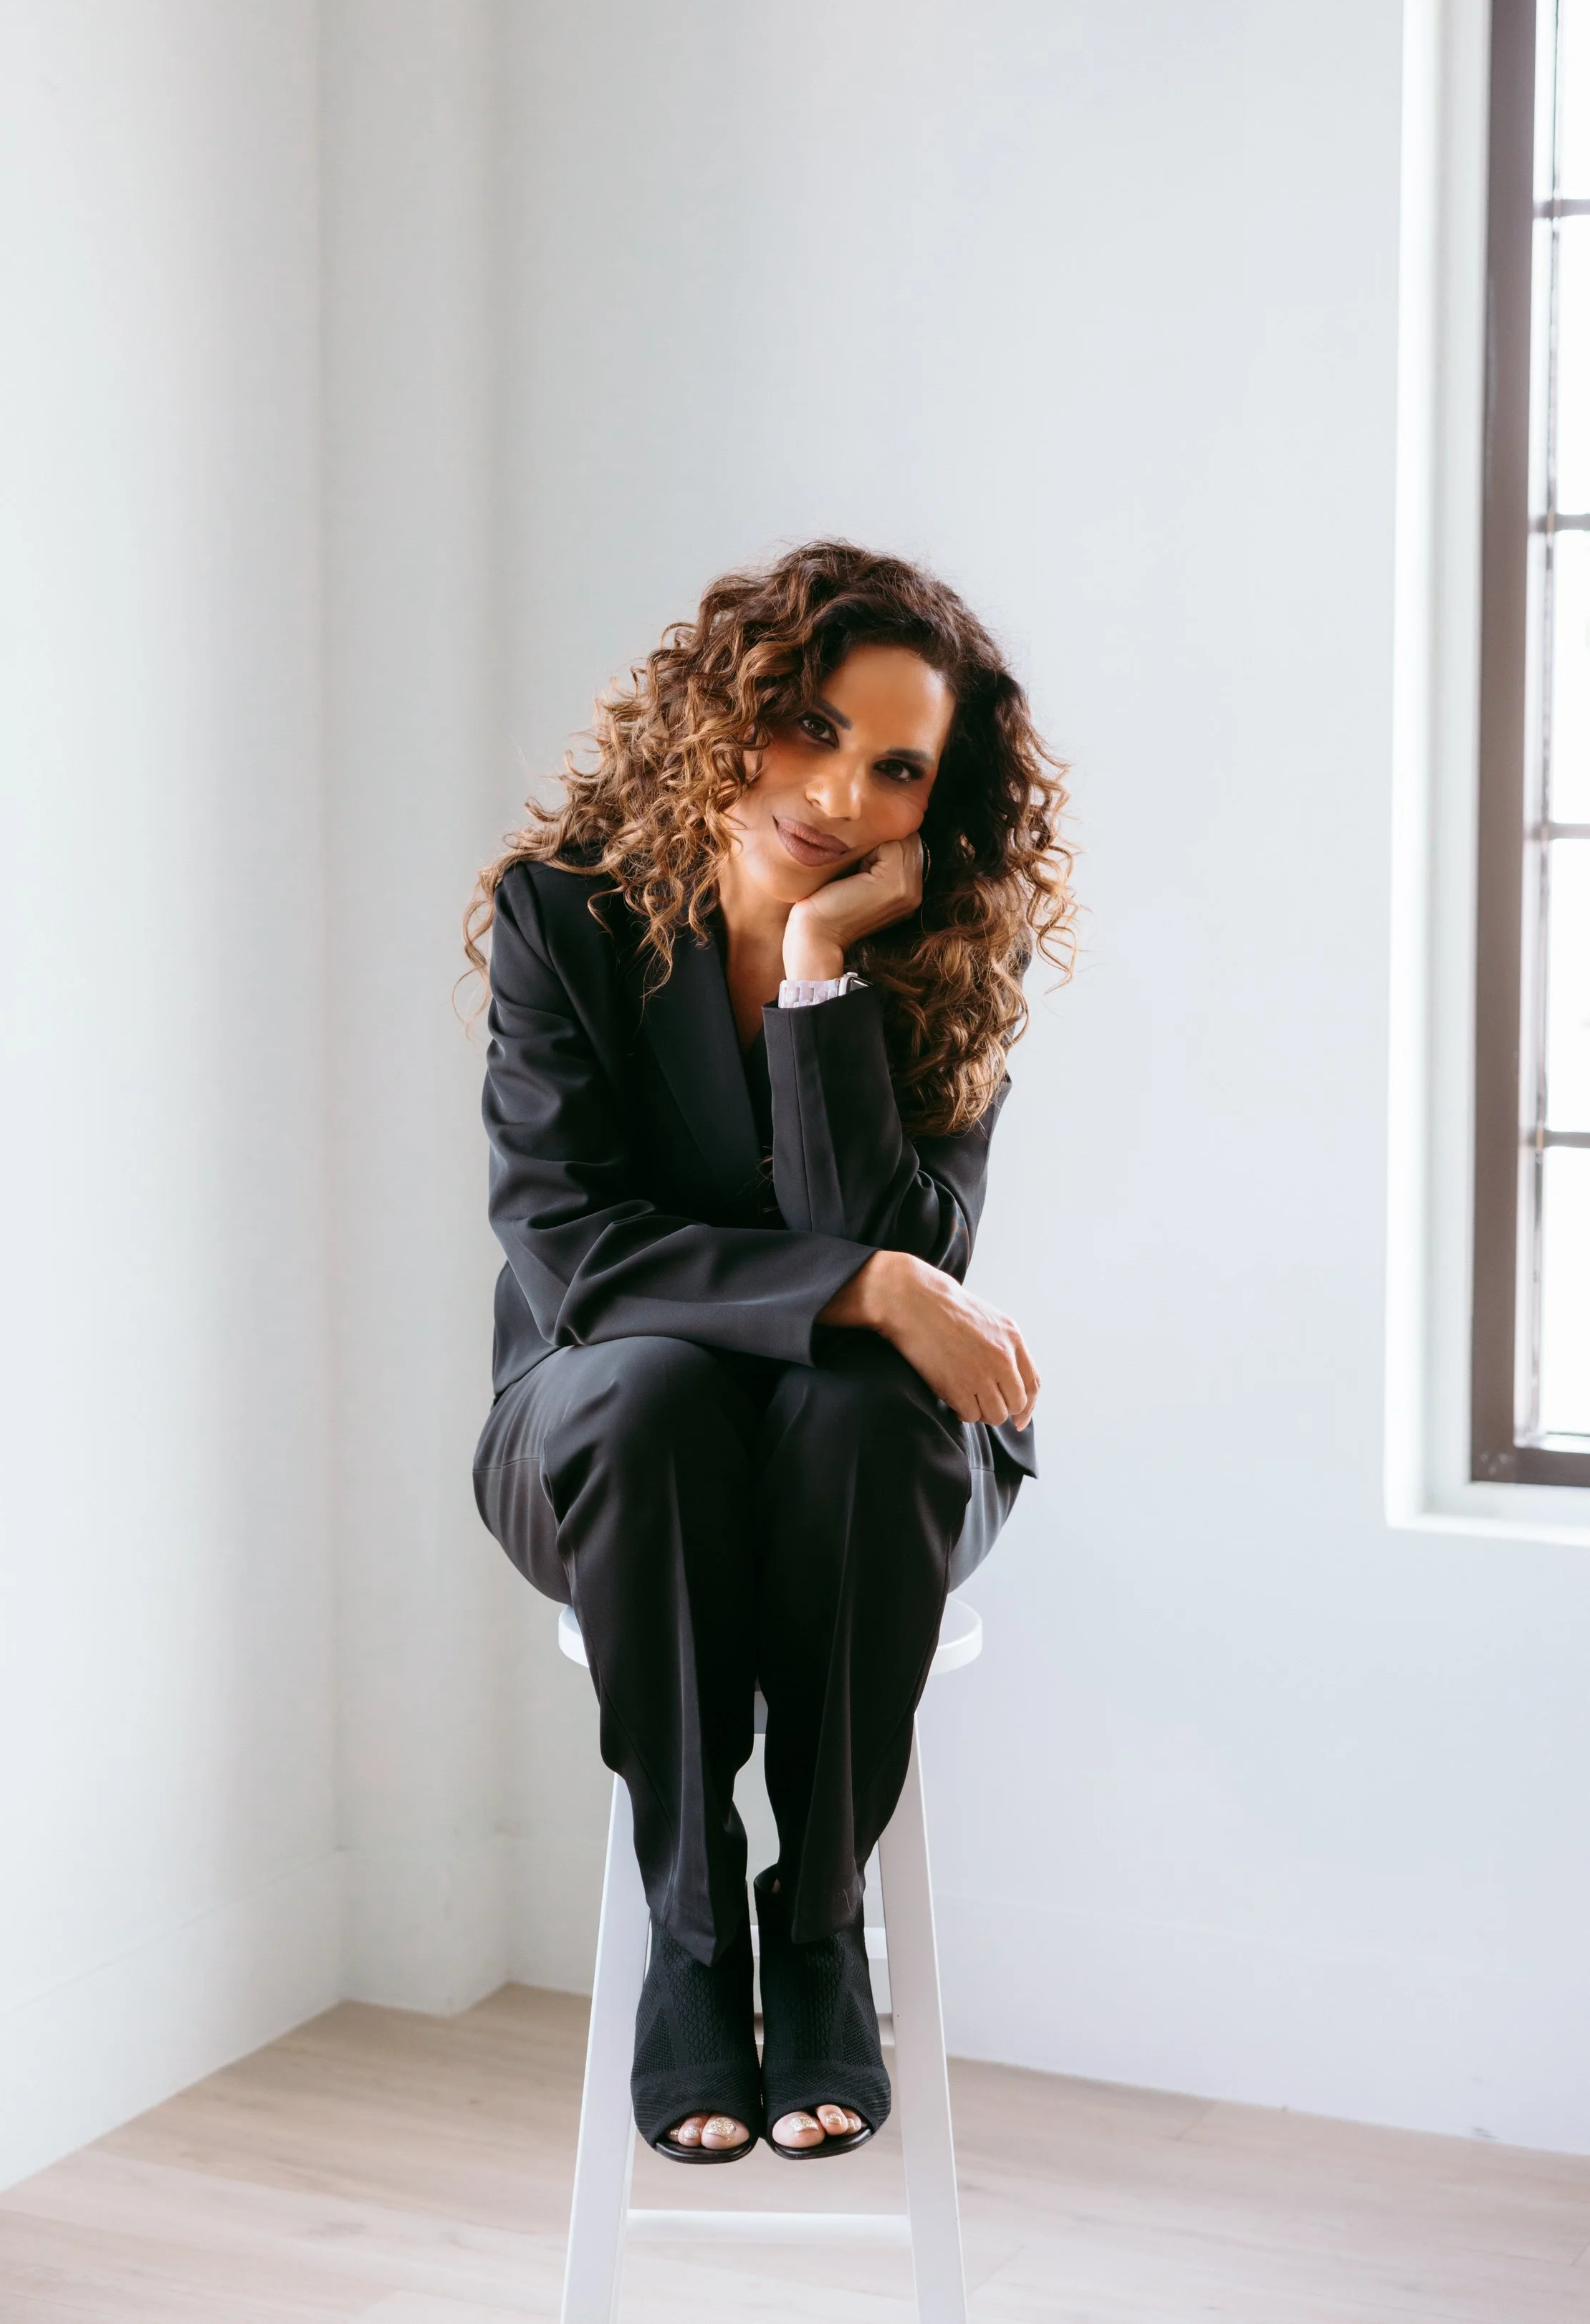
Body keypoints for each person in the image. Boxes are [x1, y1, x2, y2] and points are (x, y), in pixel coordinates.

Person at [466, 541, 1073, 2165]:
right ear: (724, 708)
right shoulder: (568, 916)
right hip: (599, 1441)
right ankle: (688, 1945)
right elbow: (573, 1250)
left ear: (932, 805)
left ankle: (812, 1933)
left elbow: (915, 1257)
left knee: (872, 1414)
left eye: (892, 768)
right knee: (655, 1386)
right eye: (805, 724)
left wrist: (818, 987)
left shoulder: (939, 966)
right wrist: (857, 1285)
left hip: (857, 1462)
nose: (833, 791)